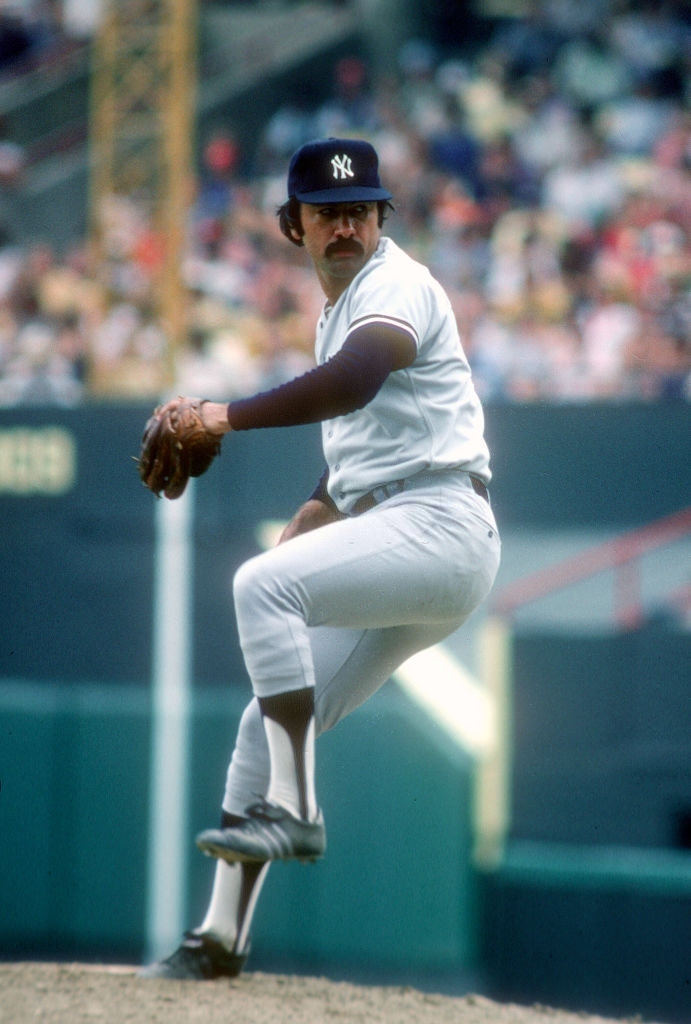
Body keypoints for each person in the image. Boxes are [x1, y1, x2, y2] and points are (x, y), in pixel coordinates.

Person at [140, 137, 501, 979]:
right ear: (292, 226)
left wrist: (220, 415)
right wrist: (318, 503)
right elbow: (362, 432)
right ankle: (218, 940)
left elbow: (357, 379)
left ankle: (297, 811)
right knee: (258, 722)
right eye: (327, 213)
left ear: (380, 218)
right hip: (413, 529)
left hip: (441, 521)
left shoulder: (394, 284)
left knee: (261, 586)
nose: (345, 225)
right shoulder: (335, 310)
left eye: (359, 210)